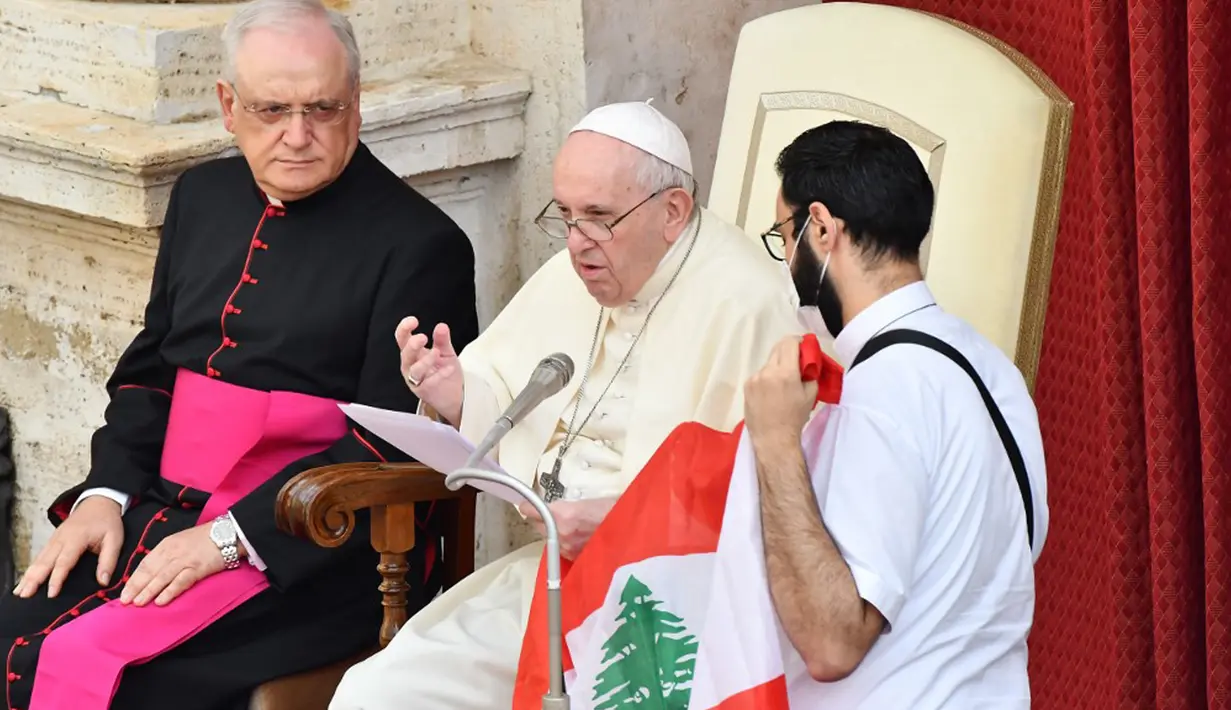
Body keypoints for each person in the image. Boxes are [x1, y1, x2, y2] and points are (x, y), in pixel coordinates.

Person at [0, 0, 479, 707]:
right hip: (159, 512)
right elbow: (150, 375)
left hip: (309, 547)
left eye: (322, 108)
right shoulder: (202, 195)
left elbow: (389, 446)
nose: (297, 135)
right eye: (270, 109)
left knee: (133, 679)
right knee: (13, 634)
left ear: (357, 102)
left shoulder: (420, 245)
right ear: (228, 105)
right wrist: (104, 496)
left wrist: (228, 540)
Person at [328, 100, 804, 709]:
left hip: (671, 597)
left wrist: (627, 523)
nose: (577, 244)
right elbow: (506, 389)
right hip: (553, 572)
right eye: (566, 216)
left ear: (673, 212)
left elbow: (770, 496)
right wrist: (456, 394)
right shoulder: (571, 273)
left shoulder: (750, 302)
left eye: (599, 218)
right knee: (381, 692)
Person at [742, 120, 1049, 706]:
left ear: (823, 228)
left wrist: (776, 442)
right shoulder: (989, 364)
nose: (786, 259)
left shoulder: (884, 385)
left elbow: (832, 644)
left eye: (785, 236)